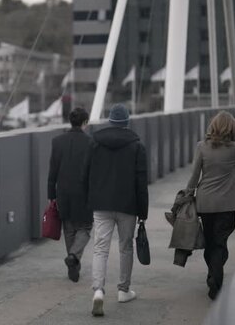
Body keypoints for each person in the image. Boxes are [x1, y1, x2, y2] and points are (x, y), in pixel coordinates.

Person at [82, 104, 149, 317]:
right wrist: (143, 212)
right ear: (127, 122)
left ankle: (99, 291)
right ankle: (123, 290)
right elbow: (141, 182)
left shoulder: (94, 143)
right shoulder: (137, 146)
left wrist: (89, 200)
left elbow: (85, 175)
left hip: (101, 204)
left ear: (110, 120)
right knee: (125, 247)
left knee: (100, 248)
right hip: (128, 205)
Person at [186, 110, 235, 300]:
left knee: (211, 243)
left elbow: (194, 176)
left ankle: (213, 275)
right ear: (231, 128)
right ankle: (215, 281)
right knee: (220, 243)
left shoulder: (202, 147)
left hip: (205, 203)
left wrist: (186, 196)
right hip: (226, 205)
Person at [47, 107, 94, 283]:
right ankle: (73, 256)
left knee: (68, 228)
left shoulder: (57, 141)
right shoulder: (91, 142)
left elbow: (53, 171)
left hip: (63, 192)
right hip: (84, 192)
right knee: (85, 227)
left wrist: (51, 194)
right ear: (85, 123)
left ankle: (73, 264)